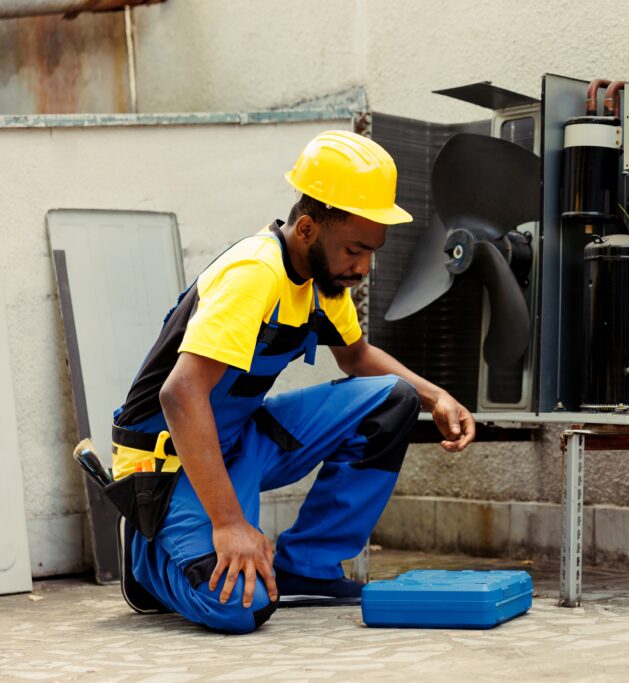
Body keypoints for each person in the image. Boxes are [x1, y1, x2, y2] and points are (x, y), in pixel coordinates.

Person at [108, 130, 475, 634]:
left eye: (372, 251)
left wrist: (437, 397)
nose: (363, 267)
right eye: (354, 249)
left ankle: (308, 566)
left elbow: (358, 356)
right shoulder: (254, 273)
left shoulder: (325, 280)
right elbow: (181, 392)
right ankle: (145, 563)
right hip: (173, 455)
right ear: (307, 228)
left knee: (394, 401)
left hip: (240, 439)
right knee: (240, 608)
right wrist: (230, 524)